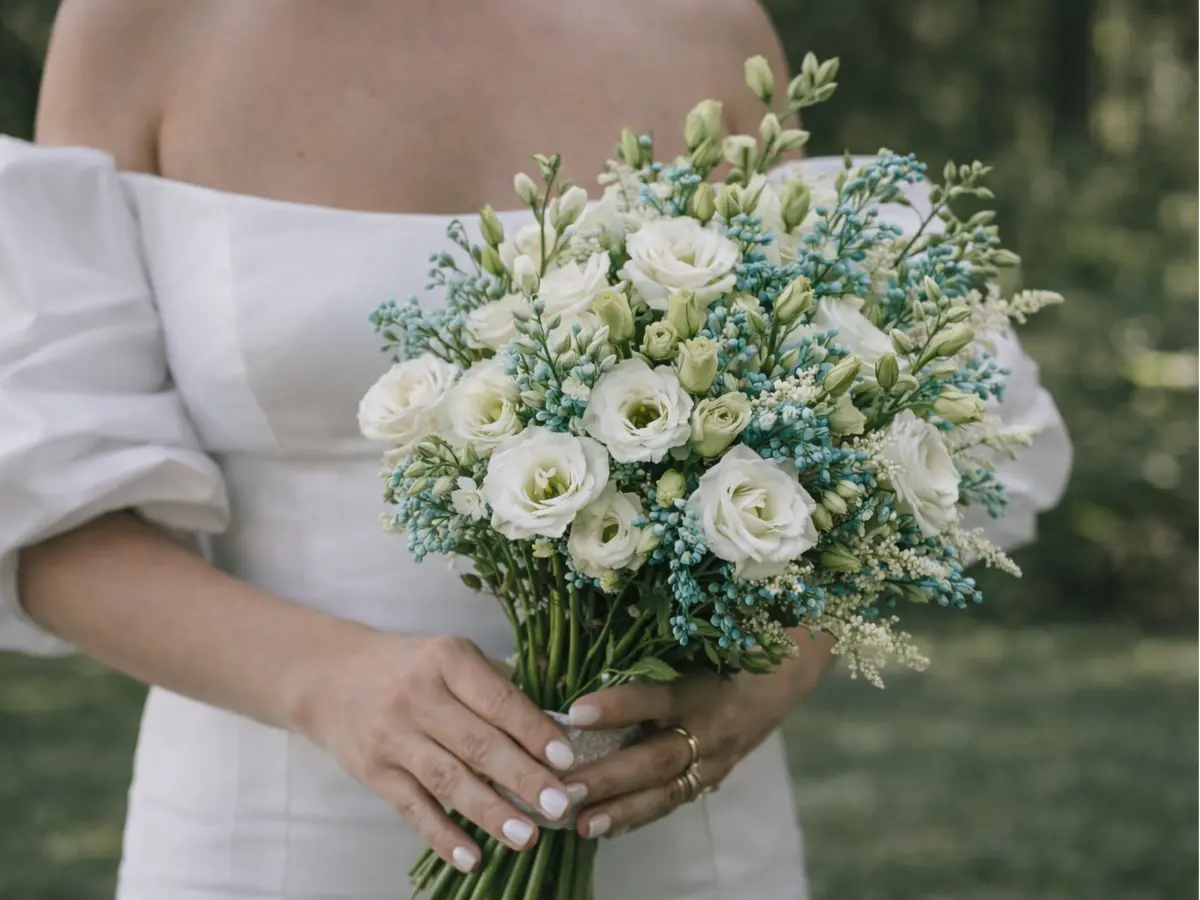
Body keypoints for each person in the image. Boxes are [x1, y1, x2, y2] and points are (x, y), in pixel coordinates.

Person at [0, 2, 1071, 898]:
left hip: (679, 826)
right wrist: (334, 684)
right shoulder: (141, 24)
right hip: (268, 836)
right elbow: (48, 511)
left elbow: (847, 417)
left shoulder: (700, 24)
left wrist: (769, 676)